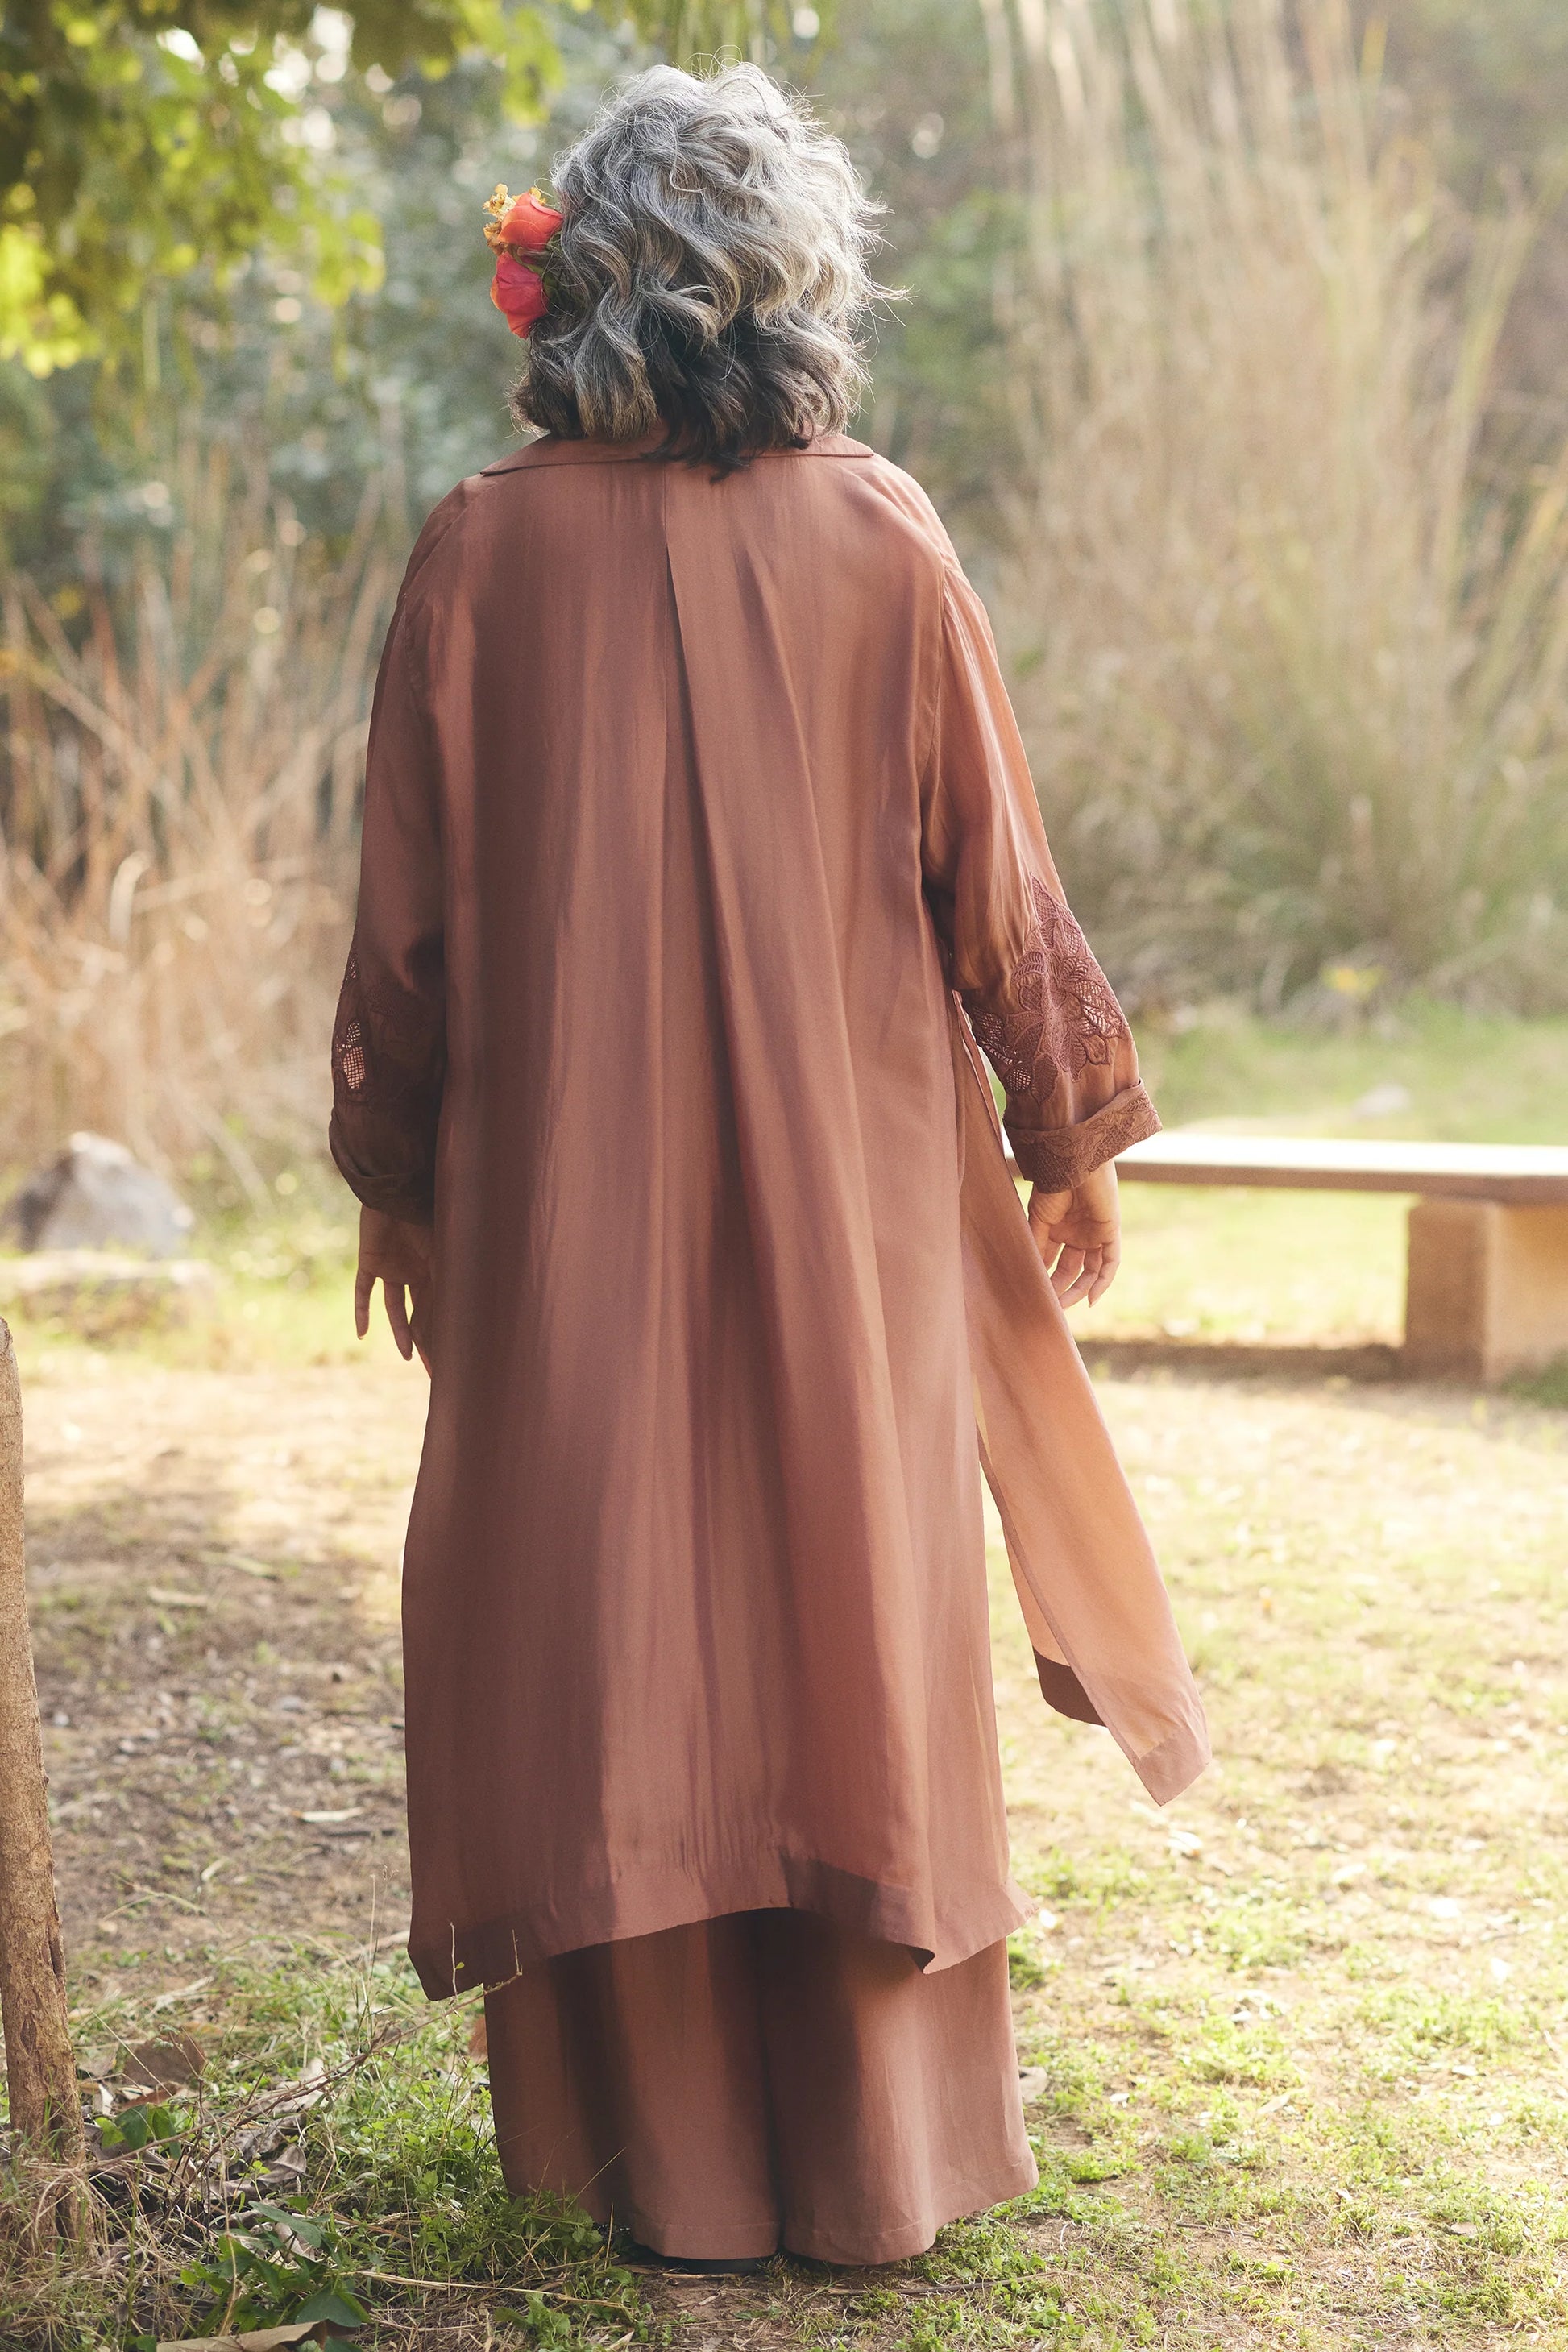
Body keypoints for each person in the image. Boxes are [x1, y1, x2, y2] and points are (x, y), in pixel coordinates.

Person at [330, 60, 1208, 2271]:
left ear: (580, 283)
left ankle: (668, 2175)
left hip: (566, 1212)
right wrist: (1066, 1131)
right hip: (856, 1206)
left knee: (612, 1624)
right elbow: (996, 885)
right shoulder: (880, 535)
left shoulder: (479, 552)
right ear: (797, 278)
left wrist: (394, 1180)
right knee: (845, 1617)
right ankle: (866, 2170)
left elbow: (403, 937)